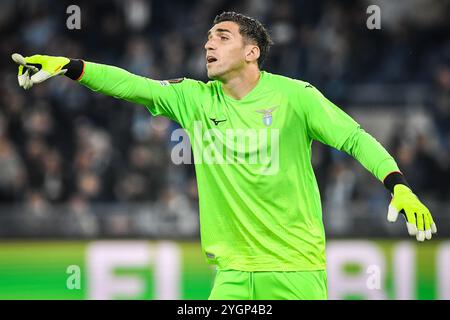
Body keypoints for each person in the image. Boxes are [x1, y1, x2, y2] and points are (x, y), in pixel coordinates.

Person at [12, 11, 437, 300]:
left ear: (251, 51)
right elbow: (131, 84)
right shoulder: (194, 99)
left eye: (222, 37)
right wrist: (71, 65)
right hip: (231, 278)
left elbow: (355, 138)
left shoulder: (295, 97)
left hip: (296, 274)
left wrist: (397, 185)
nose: (208, 45)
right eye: (207, 38)